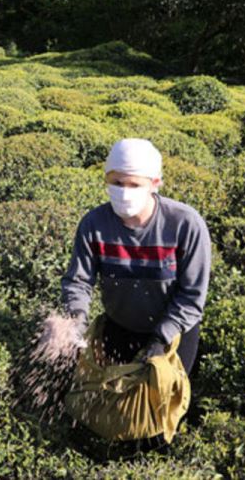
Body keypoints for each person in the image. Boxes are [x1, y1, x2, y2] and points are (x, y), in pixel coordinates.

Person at [52, 138, 211, 452]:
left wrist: (160, 337)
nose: (123, 191)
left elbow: (192, 295)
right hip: (120, 325)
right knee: (113, 404)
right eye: (116, 182)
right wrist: (75, 320)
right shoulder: (94, 224)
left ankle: (159, 459)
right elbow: (78, 281)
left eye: (133, 184)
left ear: (155, 183)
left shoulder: (185, 224)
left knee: (159, 408)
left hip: (174, 332)